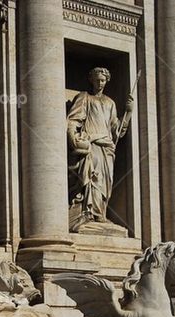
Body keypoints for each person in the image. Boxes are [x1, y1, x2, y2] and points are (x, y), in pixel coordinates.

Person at [67, 67, 132, 230]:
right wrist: (73, 137)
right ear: (91, 80)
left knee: (105, 182)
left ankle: (100, 212)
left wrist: (129, 112)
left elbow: (116, 130)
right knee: (92, 178)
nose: (99, 83)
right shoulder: (84, 97)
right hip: (92, 144)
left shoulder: (110, 103)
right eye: (97, 80)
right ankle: (89, 213)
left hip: (107, 146)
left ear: (106, 81)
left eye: (102, 80)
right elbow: (74, 119)